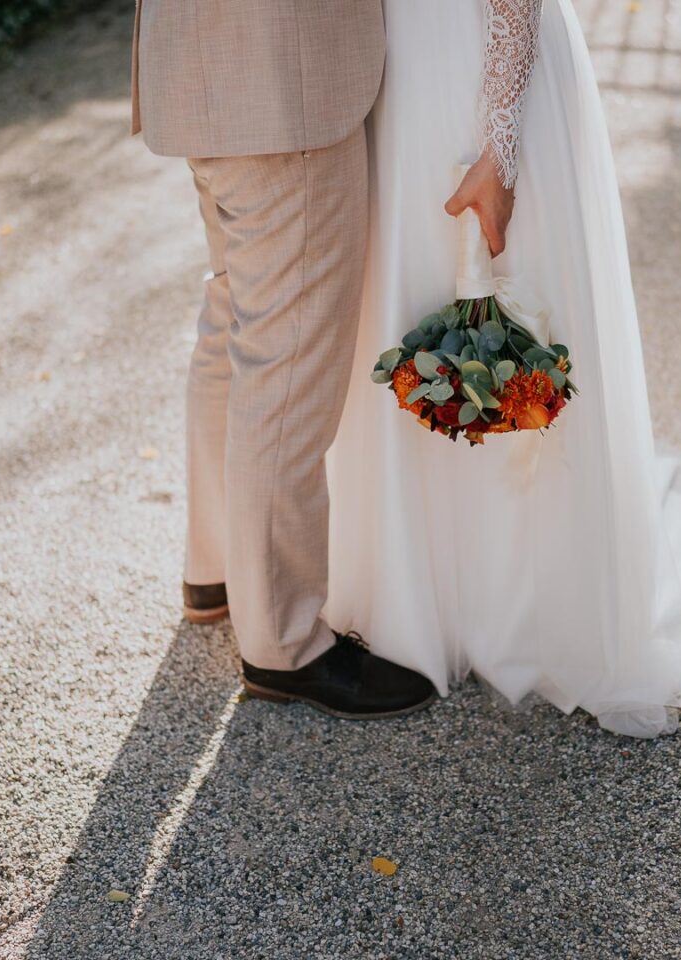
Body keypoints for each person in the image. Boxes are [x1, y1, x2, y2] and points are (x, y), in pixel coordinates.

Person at [321, 0, 681, 737]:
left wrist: (499, 142)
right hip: (394, 75)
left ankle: (517, 603)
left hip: (484, 76)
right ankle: (411, 597)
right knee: (409, 308)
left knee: (505, 312)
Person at [130, 0, 437, 718]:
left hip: (208, 65)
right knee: (288, 361)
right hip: (281, 76)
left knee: (236, 316)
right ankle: (284, 644)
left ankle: (217, 572)